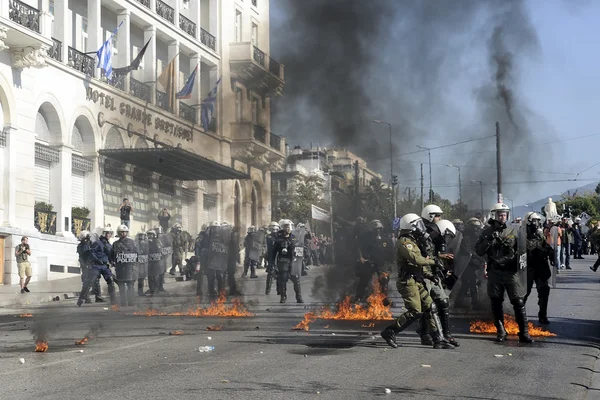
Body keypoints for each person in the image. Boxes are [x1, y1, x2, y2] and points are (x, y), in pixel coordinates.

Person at [380, 213, 454, 350]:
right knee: (415, 310)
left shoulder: (413, 242)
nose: (421, 228)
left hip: (417, 279)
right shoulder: (404, 243)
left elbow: (418, 265)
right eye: (418, 225)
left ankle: (438, 339)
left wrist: (429, 275)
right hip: (407, 282)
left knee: (430, 307)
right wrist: (434, 261)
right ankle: (390, 331)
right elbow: (417, 260)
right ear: (411, 226)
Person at [475, 203, 533, 343]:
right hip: (495, 272)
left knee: (518, 301)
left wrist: (517, 263)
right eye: (500, 214)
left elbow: (522, 251)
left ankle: (524, 332)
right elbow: (479, 251)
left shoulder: (514, 231)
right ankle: (501, 331)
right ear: (494, 215)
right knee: (496, 301)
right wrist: (488, 240)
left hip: (511, 272)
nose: (502, 217)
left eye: (505, 214)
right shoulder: (486, 232)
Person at [418, 205, 459, 347]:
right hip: (423, 273)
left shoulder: (437, 234)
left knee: (443, 301)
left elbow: (434, 253)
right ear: (429, 215)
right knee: (427, 305)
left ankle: (446, 334)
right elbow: (420, 255)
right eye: (437, 216)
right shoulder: (422, 234)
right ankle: (424, 333)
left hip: (433, 273)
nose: (439, 219)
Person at [522, 212, 553, 324]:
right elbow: (523, 248)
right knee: (524, 293)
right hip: (528, 267)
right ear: (528, 221)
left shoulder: (539, 234)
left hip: (541, 267)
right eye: (534, 220)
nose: (536, 223)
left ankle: (542, 315)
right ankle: (521, 316)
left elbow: (545, 245)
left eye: (538, 221)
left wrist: (550, 251)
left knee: (544, 291)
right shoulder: (521, 234)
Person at [77, 227, 117, 306]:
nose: (109, 235)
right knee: (89, 282)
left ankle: (113, 300)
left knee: (111, 280)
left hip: (105, 266)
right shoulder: (97, 243)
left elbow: (110, 255)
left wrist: (112, 261)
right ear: (103, 233)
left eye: (110, 233)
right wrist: (97, 260)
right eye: (107, 233)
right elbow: (92, 253)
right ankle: (81, 299)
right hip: (96, 266)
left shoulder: (108, 244)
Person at [274, 219, 303, 303]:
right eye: (286, 227)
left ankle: (299, 297)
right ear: (283, 228)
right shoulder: (278, 238)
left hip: (293, 260)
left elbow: (300, 248)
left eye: (289, 226)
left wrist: (298, 256)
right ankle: (283, 296)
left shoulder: (294, 237)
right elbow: (274, 251)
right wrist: (272, 263)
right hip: (283, 260)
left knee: (296, 279)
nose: (288, 228)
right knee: (283, 279)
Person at [112, 224, 138, 306]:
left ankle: (131, 301)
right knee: (121, 286)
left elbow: (136, 254)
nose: (123, 234)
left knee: (130, 285)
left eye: (125, 232)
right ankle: (123, 302)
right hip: (120, 268)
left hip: (129, 267)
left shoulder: (131, 242)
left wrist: (135, 265)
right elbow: (112, 255)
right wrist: (112, 262)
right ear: (118, 233)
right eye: (121, 232)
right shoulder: (115, 244)